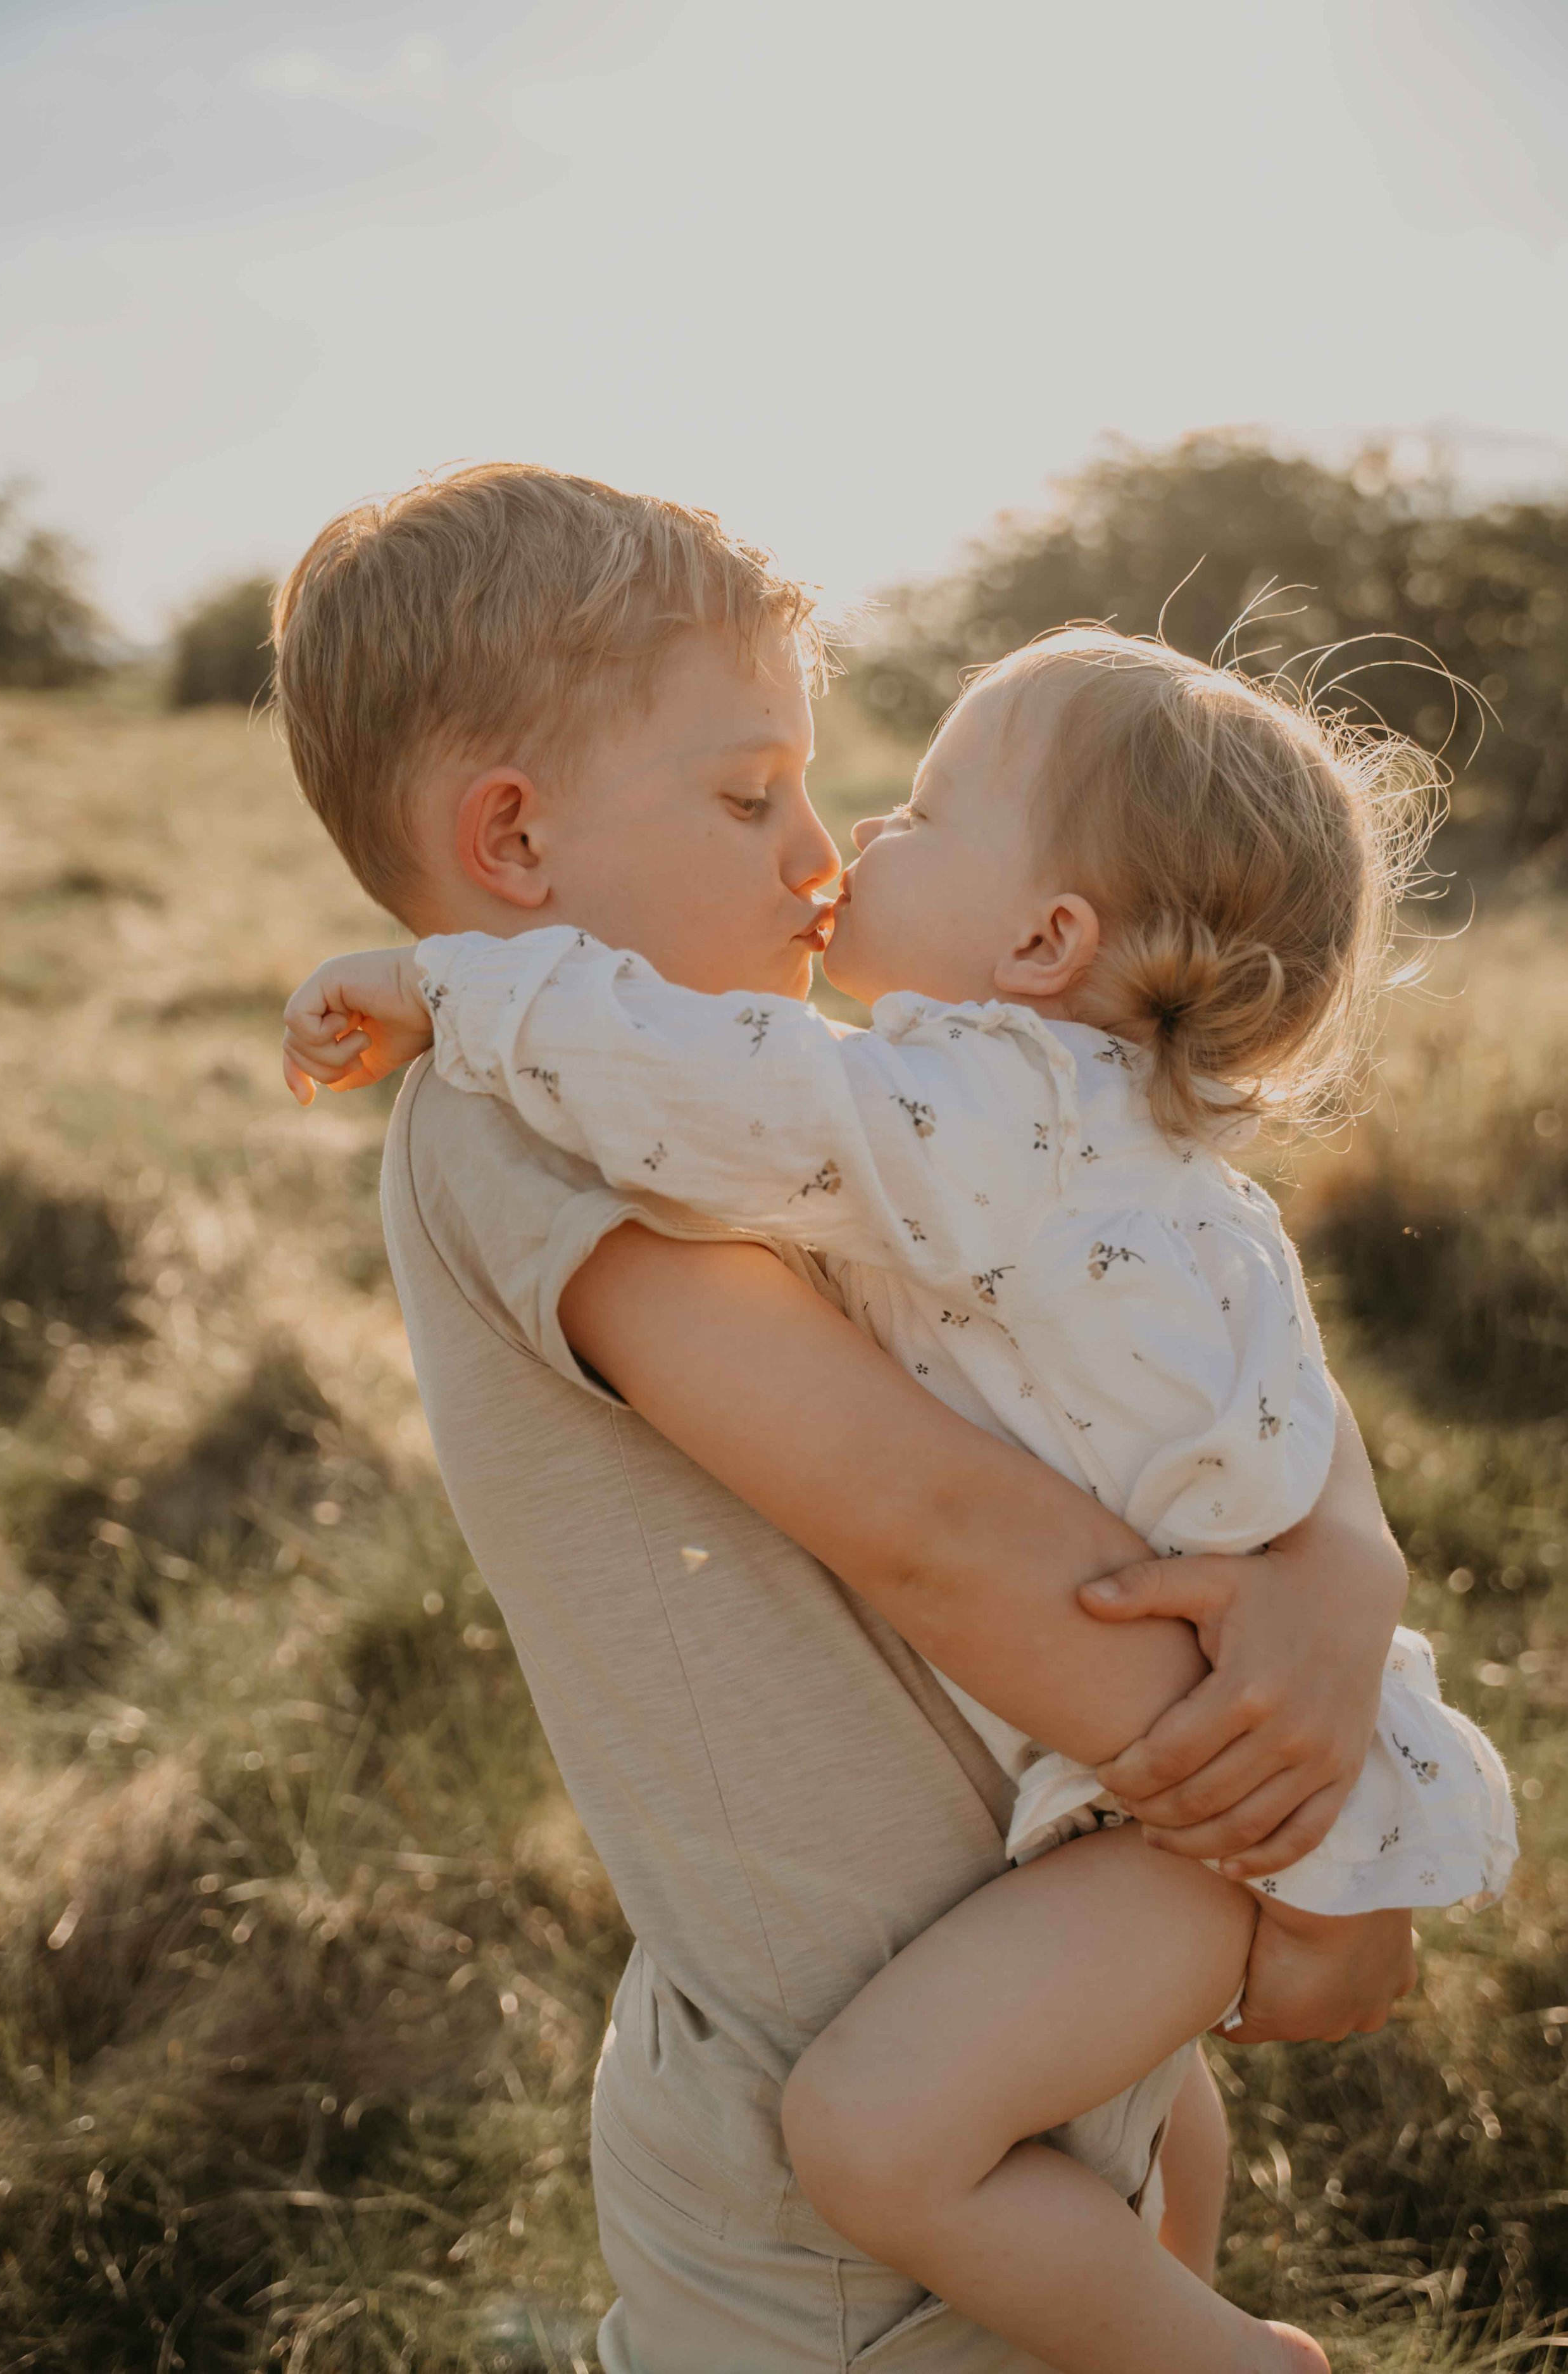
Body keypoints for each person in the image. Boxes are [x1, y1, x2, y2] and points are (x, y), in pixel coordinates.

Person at [273, 465, 1419, 2372]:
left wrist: (1339, 1561)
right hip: (829, 2198)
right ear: (512, 841)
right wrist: (1299, 1829)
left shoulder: (824, 1102)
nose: (818, 854)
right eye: (750, 798)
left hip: (1019, 1999)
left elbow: (1186, 1297)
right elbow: (938, 1529)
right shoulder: (522, 1118)